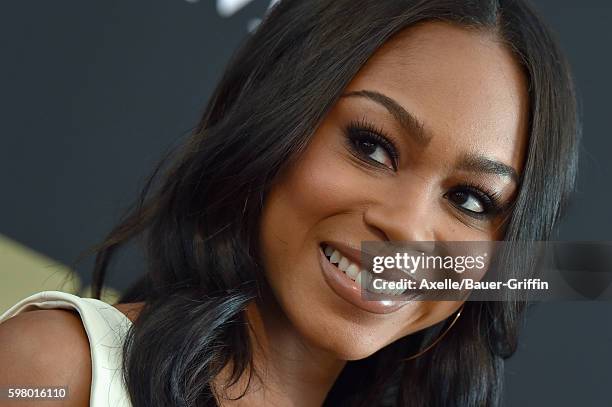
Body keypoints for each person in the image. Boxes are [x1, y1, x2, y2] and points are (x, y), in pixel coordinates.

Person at [0, 0, 579, 406]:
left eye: (471, 200)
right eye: (372, 147)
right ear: (271, 121)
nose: (404, 225)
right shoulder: (56, 372)